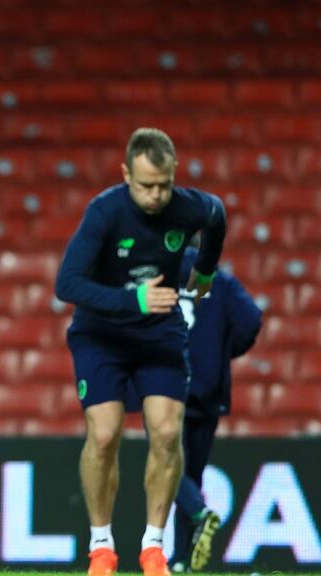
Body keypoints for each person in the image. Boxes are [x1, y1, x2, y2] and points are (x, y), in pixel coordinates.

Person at [54, 127, 226, 576]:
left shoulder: (189, 207)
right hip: (101, 335)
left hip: (158, 336)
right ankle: (101, 548)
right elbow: (66, 284)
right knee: (106, 434)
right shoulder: (104, 213)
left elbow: (217, 215)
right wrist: (135, 300)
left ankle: (153, 548)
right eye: (146, 185)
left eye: (164, 185)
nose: (155, 196)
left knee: (168, 434)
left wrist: (205, 271)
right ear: (126, 173)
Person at [168, 246, 261, 572]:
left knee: (165, 462)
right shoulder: (218, 281)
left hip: (167, 382)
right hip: (208, 387)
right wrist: (223, 352)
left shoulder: (161, 274)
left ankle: (199, 513)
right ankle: (180, 559)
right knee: (190, 471)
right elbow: (251, 320)